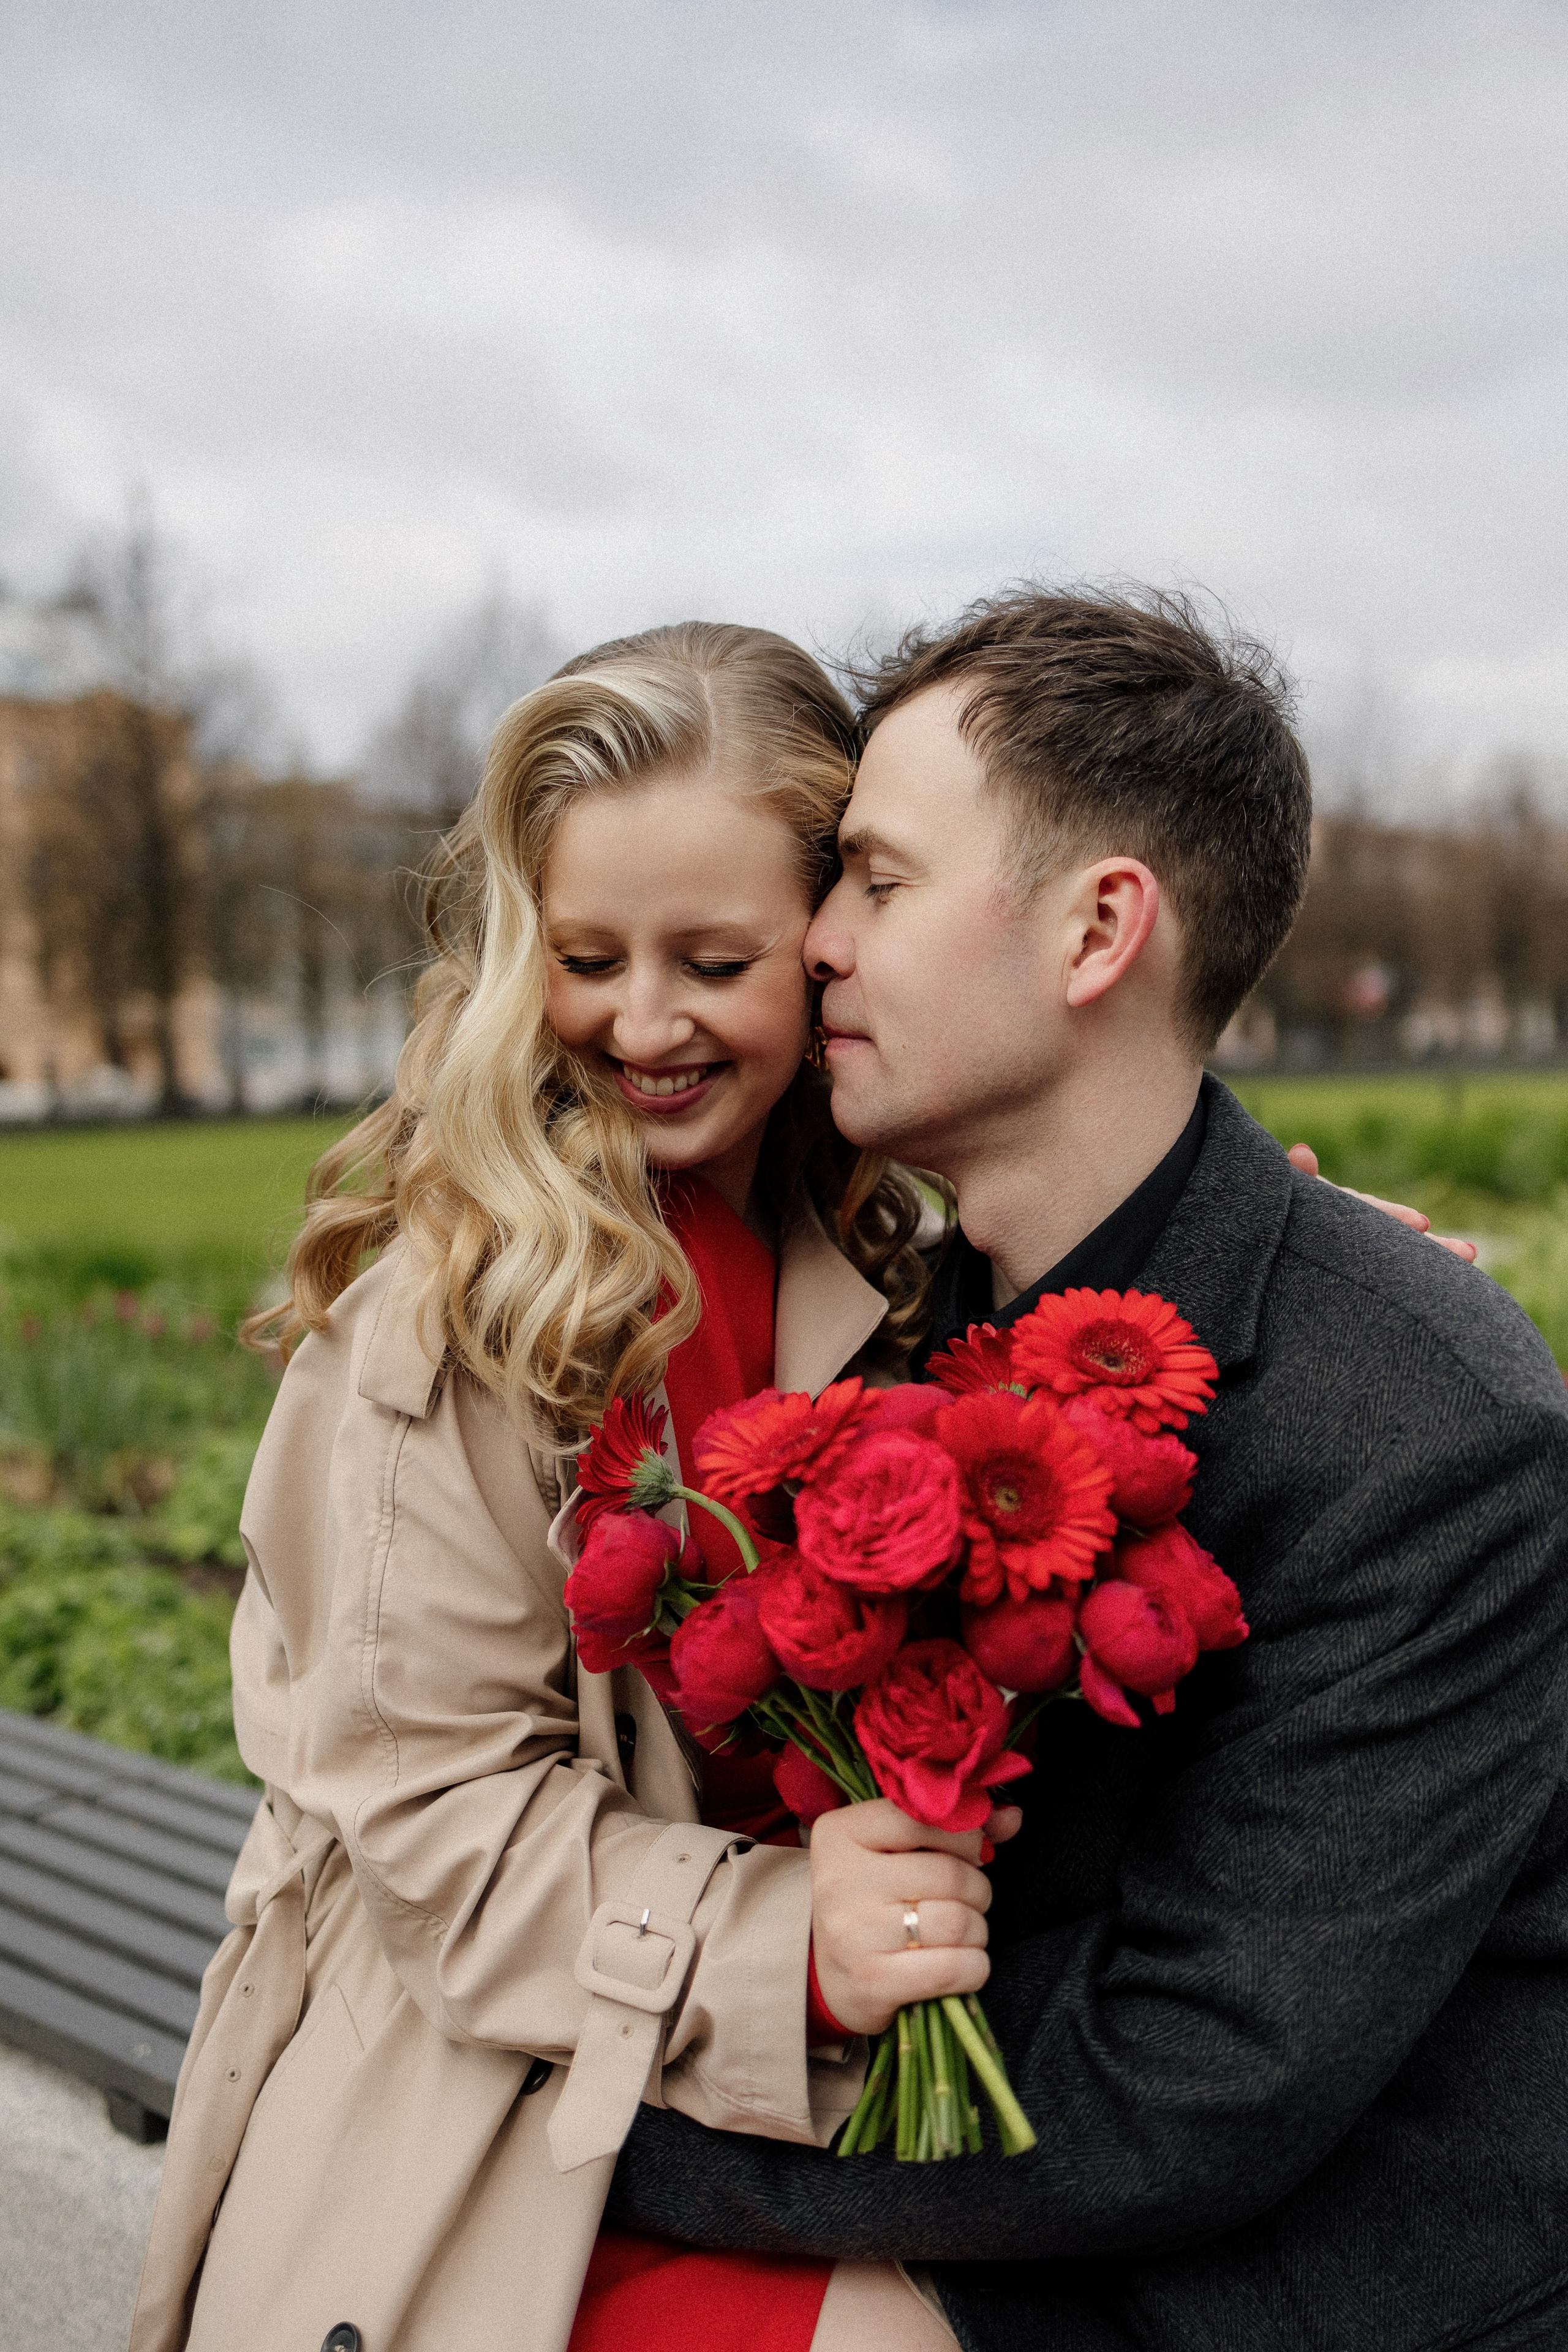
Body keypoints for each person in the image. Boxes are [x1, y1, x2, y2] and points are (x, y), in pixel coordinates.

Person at [603, 590, 1568, 2352]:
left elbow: (1199, 2085)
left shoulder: (1429, 1430)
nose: (814, 938)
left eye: (878, 883)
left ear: (1099, 929)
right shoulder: (901, 1320)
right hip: (1024, 2202)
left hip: (1305, 2292)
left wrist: (617, 2146)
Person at [129, 622, 1007, 2352]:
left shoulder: (866, 1252)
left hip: (797, 2068)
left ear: (831, 942)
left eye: (715, 958)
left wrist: (1289, 1255)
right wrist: (790, 1945)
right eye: (588, 956)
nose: (646, 1022)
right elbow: (446, 1830)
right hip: (501, 2109)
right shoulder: (454, 1317)